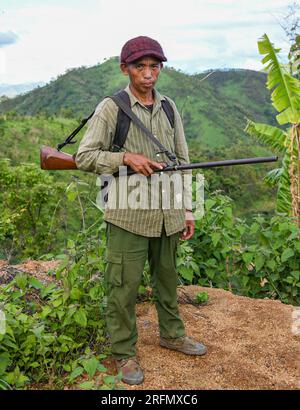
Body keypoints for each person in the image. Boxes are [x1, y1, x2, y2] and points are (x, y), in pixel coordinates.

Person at [75, 36, 207, 385]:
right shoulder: (112, 108)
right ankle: (123, 353)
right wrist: (125, 158)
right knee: (123, 286)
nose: (148, 75)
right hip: (127, 213)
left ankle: (172, 334)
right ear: (125, 69)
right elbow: (84, 156)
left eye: (154, 67)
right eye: (140, 67)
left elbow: (182, 160)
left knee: (166, 279)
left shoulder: (168, 106)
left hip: (167, 213)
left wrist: (188, 209)